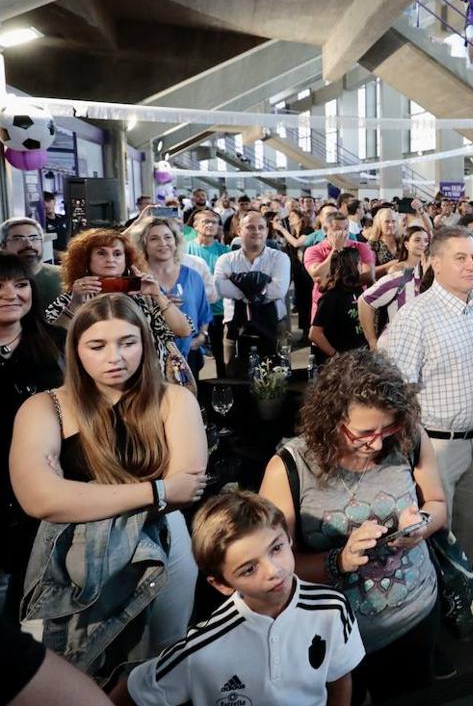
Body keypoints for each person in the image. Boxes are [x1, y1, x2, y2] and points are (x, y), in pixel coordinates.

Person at [12, 294, 207, 677]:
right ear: (76, 349)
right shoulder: (44, 406)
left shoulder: (173, 399)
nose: (114, 358)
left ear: (145, 342)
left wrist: (74, 492)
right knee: (68, 669)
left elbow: (188, 486)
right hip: (68, 555)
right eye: (97, 346)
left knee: (156, 666)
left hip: (166, 547)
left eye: (127, 342)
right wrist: (157, 490)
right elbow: (38, 498)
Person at [260, 350, 446, 700]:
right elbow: (272, 569)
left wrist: (421, 525)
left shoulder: (407, 438)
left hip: (415, 618)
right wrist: (339, 561)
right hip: (333, 639)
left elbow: (437, 504)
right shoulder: (288, 469)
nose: (377, 442)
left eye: (386, 428)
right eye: (363, 433)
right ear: (330, 419)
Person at [110, 490, 363, 706]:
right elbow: (132, 693)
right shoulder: (201, 648)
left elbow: (339, 677)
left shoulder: (332, 608)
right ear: (221, 584)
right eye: (250, 568)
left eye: (276, 548)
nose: (274, 571)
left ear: (288, 538)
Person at [377, 227, 473, 567]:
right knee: (438, 541)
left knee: (470, 533)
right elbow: (397, 393)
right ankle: (441, 610)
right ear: (435, 264)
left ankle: (465, 600)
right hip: (437, 447)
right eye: (461, 258)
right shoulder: (416, 316)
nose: (472, 265)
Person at [0, 254, 64, 622]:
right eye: (1, 286)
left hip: (45, 486)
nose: (11, 294)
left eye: (20, 285)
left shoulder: (56, 344)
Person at [46, 228, 195, 387]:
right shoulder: (71, 298)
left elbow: (184, 331)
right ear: (86, 260)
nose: (111, 259)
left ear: (126, 260)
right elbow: (53, 342)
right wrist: (75, 302)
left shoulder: (145, 295)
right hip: (93, 387)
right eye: (101, 253)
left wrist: (158, 295)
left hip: (150, 385)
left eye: (117, 254)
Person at [130, 217, 212, 380]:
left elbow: (204, 314)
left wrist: (200, 339)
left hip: (187, 357)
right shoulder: (136, 280)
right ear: (144, 244)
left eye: (168, 237)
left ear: (176, 242)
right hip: (147, 360)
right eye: (154, 238)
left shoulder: (193, 276)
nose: (163, 243)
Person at [214, 211, 291, 377]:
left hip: (274, 325)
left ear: (267, 231)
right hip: (235, 326)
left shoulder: (280, 258)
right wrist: (260, 287)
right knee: (234, 375)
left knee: (276, 376)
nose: (256, 231)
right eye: (250, 227)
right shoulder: (226, 260)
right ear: (239, 231)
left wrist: (238, 284)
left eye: (261, 227)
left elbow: (278, 290)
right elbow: (221, 288)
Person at [357, 225, 430, 348]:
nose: (423, 244)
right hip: (398, 341)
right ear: (406, 244)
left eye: (426, 241)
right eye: (417, 240)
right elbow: (366, 300)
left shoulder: (432, 274)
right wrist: (372, 341)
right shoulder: (399, 271)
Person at [186, 209, 232, 377]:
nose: (211, 225)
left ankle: (224, 391)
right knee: (193, 356)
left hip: (219, 309)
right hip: (194, 312)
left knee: (222, 356)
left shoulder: (224, 251)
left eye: (214, 222)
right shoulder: (186, 250)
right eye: (206, 221)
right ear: (195, 226)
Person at [305, 212, 376, 315]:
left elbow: (369, 276)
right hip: (325, 306)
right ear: (325, 230)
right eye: (337, 229)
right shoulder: (314, 250)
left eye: (346, 228)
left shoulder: (361, 247)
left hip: (354, 304)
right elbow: (317, 275)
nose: (343, 233)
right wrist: (335, 249)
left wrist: (331, 281)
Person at [310, 248, 368, 365]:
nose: (361, 265)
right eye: (359, 262)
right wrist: (336, 356)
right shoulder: (331, 297)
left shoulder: (357, 289)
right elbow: (315, 334)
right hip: (341, 362)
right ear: (350, 265)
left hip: (359, 357)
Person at [1, 217, 63, 316]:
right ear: (3, 246)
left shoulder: (64, 276)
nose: (29, 244)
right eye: (18, 239)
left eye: (34, 238)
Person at [363, 206, 404, 278]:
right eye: (387, 221)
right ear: (379, 224)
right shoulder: (372, 244)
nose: (391, 225)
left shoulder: (402, 241)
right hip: (382, 285)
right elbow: (367, 273)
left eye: (393, 221)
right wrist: (389, 265)